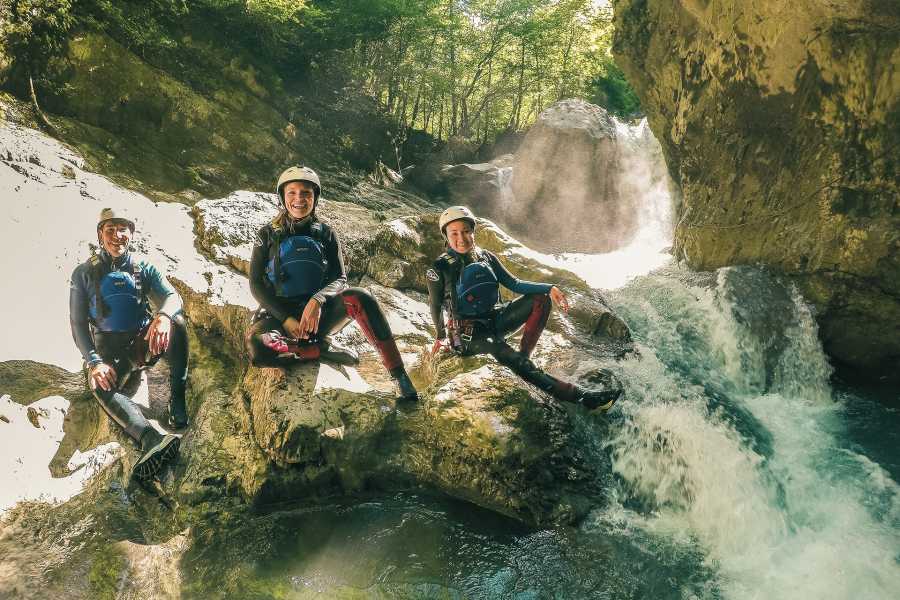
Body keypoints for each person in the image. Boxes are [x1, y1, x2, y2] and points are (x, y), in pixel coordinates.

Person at [245, 166, 418, 402]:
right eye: (292, 193)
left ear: (315, 197)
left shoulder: (326, 233)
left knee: (361, 297)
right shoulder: (266, 234)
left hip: (318, 318)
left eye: (306, 193)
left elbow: (340, 278)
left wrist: (317, 300)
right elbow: (255, 284)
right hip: (278, 317)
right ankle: (318, 350)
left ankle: (399, 377)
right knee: (260, 348)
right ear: (282, 197)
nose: (299, 199)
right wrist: (286, 318)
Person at [426, 206, 620, 411]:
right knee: (505, 353)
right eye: (454, 233)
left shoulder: (487, 257)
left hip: (495, 320)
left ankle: (523, 358)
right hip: (467, 335)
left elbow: (514, 283)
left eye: (466, 231)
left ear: (473, 231)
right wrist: (440, 337)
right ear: (446, 236)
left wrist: (549, 288)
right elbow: (435, 304)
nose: (462, 238)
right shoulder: (439, 268)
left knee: (540, 299)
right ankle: (583, 398)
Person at [69, 208, 188, 481]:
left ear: (131, 234)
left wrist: (163, 317)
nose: (116, 236)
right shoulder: (84, 273)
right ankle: (150, 438)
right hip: (109, 354)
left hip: (140, 344)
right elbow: (77, 324)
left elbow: (173, 297)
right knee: (98, 383)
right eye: (109, 230)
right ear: (100, 235)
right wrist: (94, 363)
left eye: (122, 229)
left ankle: (177, 402)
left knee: (177, 324)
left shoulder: (143, 267)